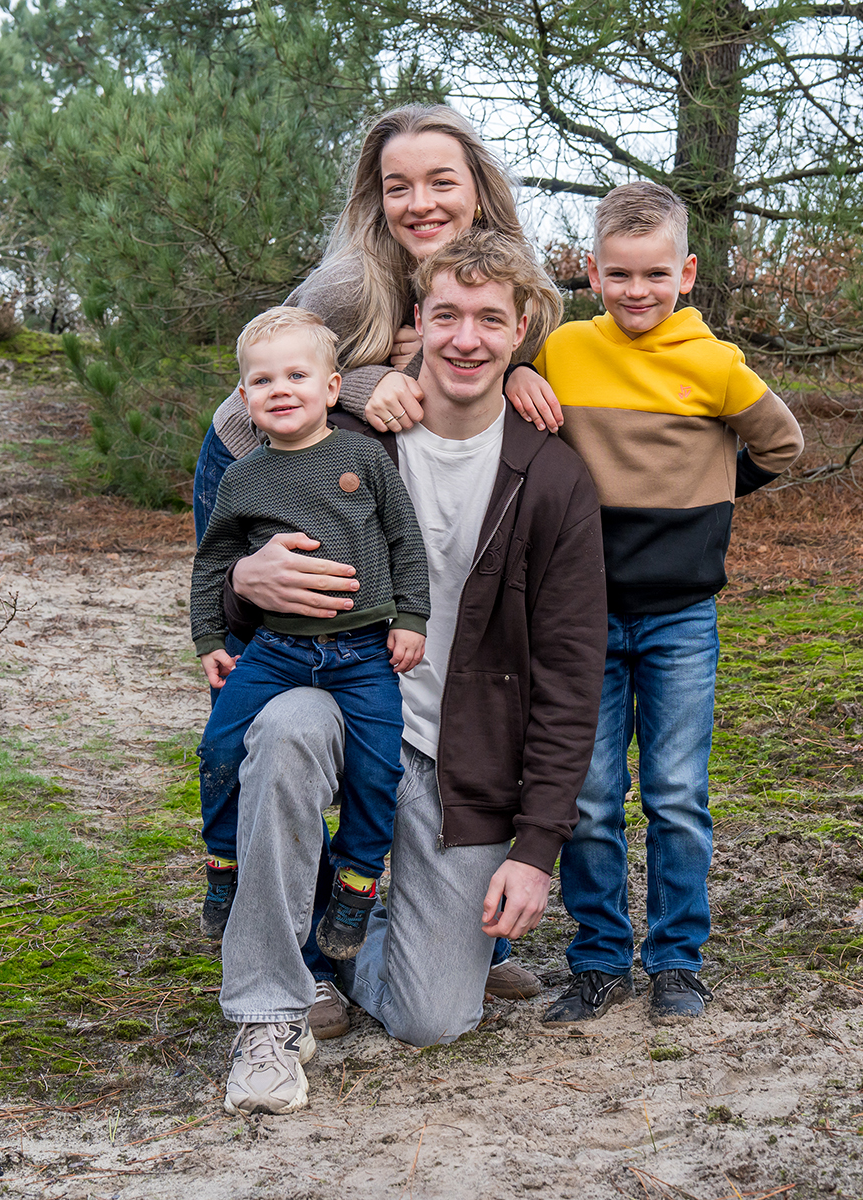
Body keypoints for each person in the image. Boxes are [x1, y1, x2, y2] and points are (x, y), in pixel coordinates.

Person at [215, 230, 607, 1115]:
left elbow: (573, 673)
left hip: (452, 756)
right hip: (339, 709)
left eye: (489, 320)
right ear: (416, 325)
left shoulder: (552, 479)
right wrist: (243, 580)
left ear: (522, 331)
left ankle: (362, 941)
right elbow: (237, 524)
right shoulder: (343, 440)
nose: (466, 338)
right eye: (447, 316)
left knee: (435, 1018)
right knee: (281, 733)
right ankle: (268, 1015)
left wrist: (537, 847)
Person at [189, 104, 556, 1031]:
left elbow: (497, 358)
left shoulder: (508, 270)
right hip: (251, 465)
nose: (421, 202)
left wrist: (512, 374)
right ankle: (306, 953)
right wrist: (355, 381)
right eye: (399, 186)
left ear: (480, 188)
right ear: (375, 196)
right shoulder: (351, 282)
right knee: (279, 696)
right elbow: (263, 398)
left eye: (443, 182)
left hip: (366, 483)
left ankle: (467, 939)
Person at [530, 181, 804, 1027]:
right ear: (591, 271)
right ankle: (599, 957)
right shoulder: (566, 351)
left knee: (678, 791)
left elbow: (782, 443)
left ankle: (677, 959)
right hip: (580, 613)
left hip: (682, 615)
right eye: (619, 274)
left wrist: (708, 499)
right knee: (588, 794)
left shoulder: (715, 363)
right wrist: (513, 386)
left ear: (686, 272)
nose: (637, 290)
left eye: (655, 274)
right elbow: (518, 412)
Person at [191, 307, 429, 960]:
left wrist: (411, 619)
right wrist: (210, 637)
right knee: (220, 748)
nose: (281, 389)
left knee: (378, 771)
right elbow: (213, 562)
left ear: (331, 388)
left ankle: (356, 882)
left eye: (297, 374)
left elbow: (406, 539)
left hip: (362, 653)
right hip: (277, 651)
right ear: (244, 398)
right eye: (263, 380)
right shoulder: (241, 478)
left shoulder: (364, 457)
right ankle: (222, 865)